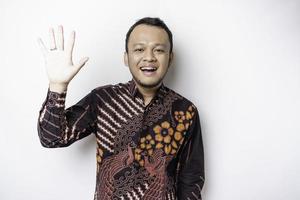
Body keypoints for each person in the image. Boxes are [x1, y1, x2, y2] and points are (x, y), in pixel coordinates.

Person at [37, 17, 205, 200]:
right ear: (126, 57)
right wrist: (57, 87)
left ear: (170, 58)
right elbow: (52, 138)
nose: (149, 57)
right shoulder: (103, 100)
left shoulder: (185, 111)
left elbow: (191, 180)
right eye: (139, 49)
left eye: (159, 50)